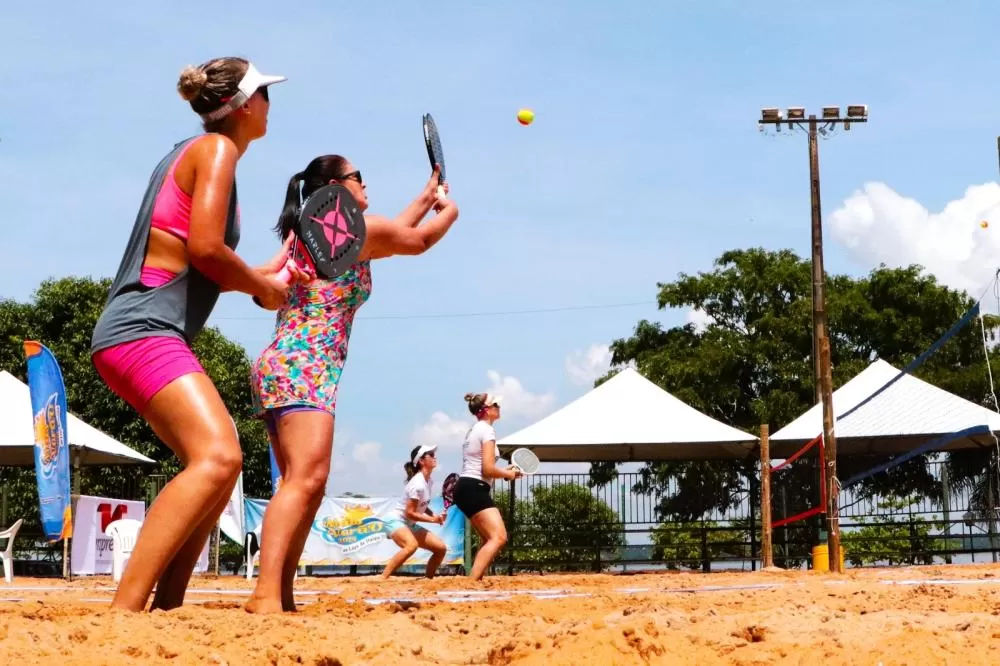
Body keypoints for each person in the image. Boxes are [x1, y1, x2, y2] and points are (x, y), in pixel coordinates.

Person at [90, 57, 305, 612]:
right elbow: (208, 251)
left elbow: (190, 259)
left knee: (215, 465)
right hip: (142, 330)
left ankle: (169, 605)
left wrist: (261, 274)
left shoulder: (191, 152)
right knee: (217, 457)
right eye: (265, 94)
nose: (270, 105)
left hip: (139, 330)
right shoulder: (216, 151)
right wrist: (261, 287)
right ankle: (127, 609)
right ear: (243, 106)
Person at [246, 155, 460, 613]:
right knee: (305, 481)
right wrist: (449, 212)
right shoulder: (352, 232)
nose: (367, 185)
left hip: (285, 362)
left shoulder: (320, 233)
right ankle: (265, 593)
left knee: (302, 484)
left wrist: (428, 194)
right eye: (359, 178)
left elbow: (394, 233)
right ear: (334, 188)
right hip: (306, 365)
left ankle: (279, 593)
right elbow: (416, 241)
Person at [453, 392, 521, 580]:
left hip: (467, 487)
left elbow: (485, 470)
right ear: (486, 410)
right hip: (473, 488)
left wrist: (505, 471)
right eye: (495, 404)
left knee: (488, 539)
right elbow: (488, 469)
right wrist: (508, 474)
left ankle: (476, 580)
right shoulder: (487, 431)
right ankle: (472, 582)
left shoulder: (476, 429)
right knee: (499, 537)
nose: (499, 407)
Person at [380, 444, 449, 579]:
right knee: (411, 546)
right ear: (421, 461)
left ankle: (428, 580)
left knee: (440, 549)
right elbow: (409, 513)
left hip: (408, 524)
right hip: (394, 521)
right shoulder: (418, 484)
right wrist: (432, 520)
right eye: (430, 455)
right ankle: (383, 578)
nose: (435, 457)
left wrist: (434, 515)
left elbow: (422, 504)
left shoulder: (428, 481)